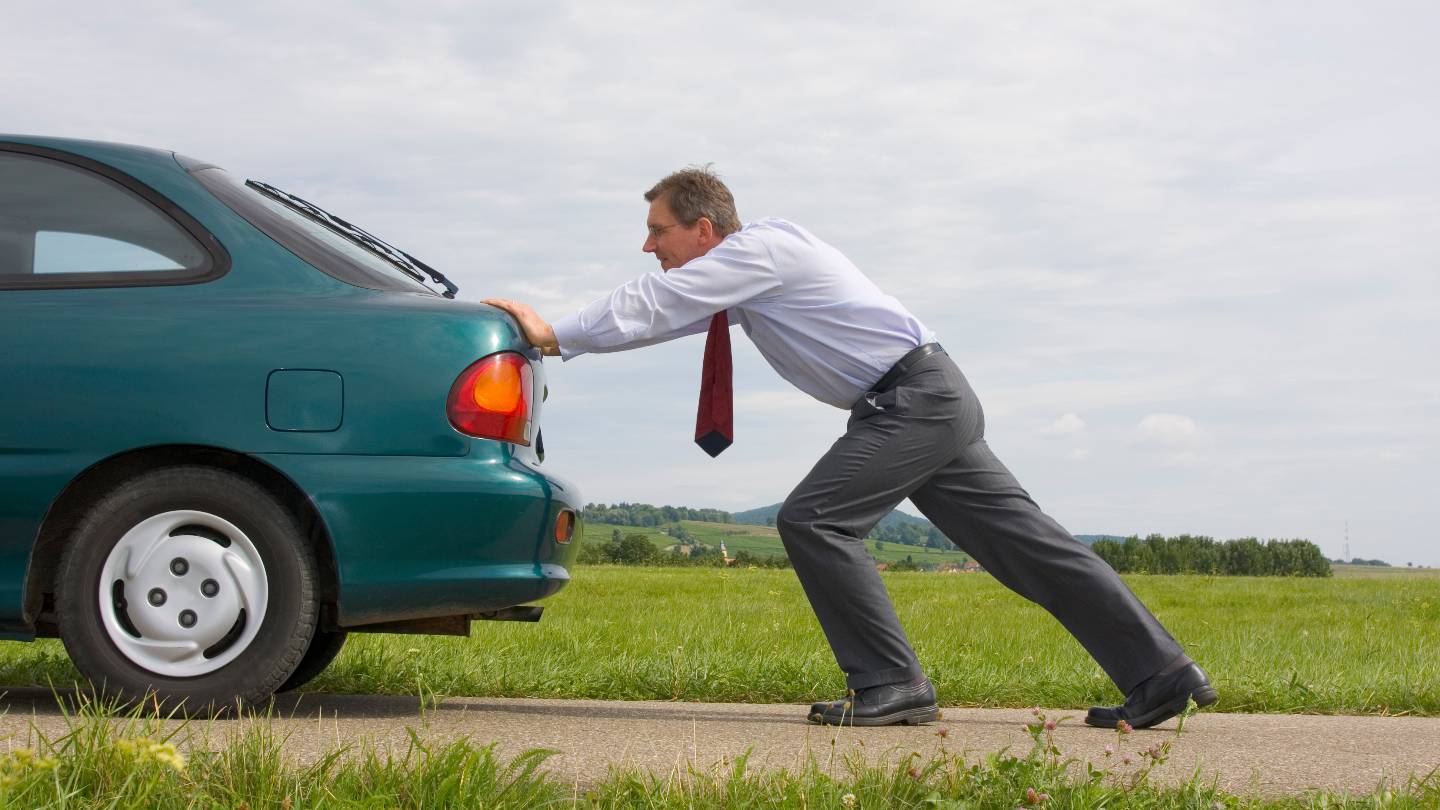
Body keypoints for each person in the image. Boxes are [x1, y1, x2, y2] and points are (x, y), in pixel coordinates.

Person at [483, 167, 1218, 728]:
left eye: (658, 230)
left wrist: (554, 330)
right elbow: (664, 319)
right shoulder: (747, 276)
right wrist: (572, 343)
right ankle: (1163, 675)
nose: (649, 246)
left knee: (814, 519)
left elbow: (656, 301)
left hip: (913, 402)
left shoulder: (763, 248)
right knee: (1031, 547)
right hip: (925, 399)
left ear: (703, 230)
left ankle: (892, 685)